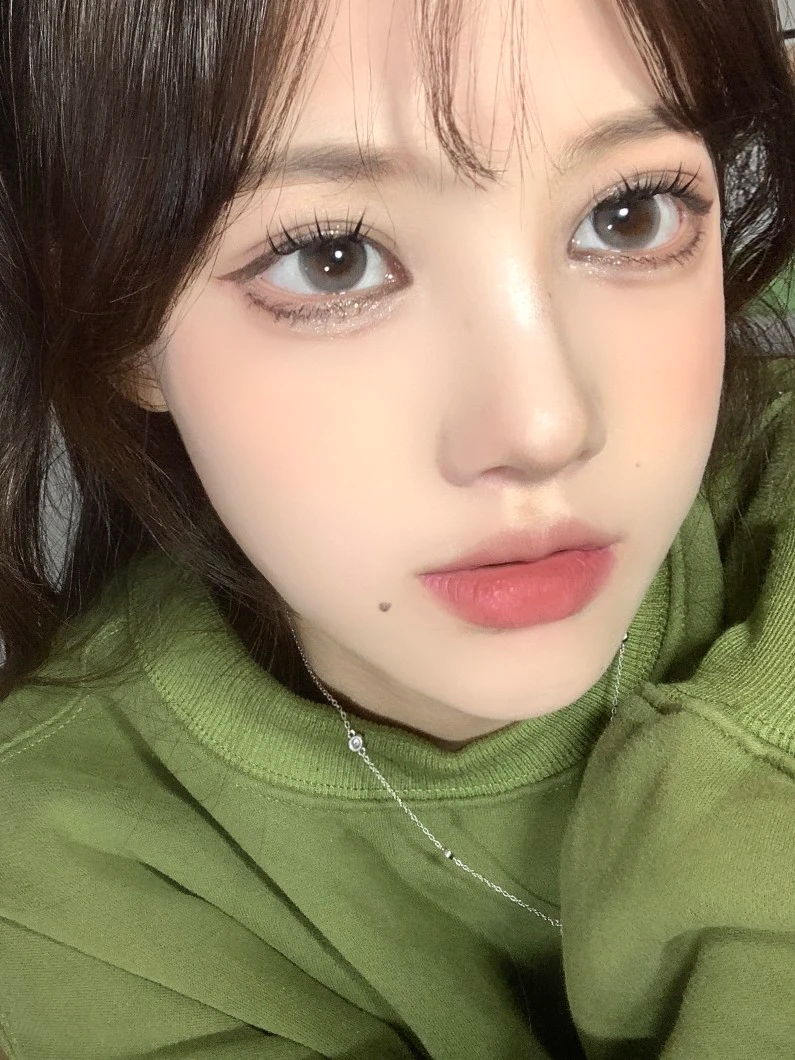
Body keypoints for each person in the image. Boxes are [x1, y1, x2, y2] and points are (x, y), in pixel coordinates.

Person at [1, 0, 795, 1056]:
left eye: (629, 213)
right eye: (331, 257)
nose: (545, 426)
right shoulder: (69, 890)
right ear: (121, 319)